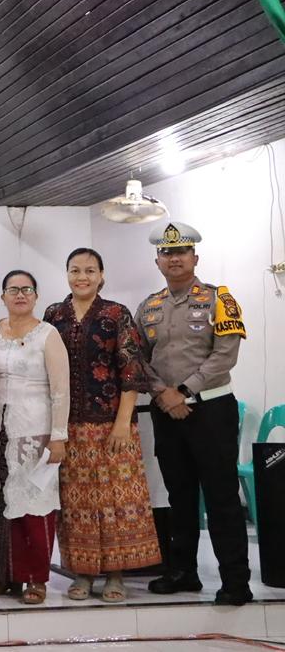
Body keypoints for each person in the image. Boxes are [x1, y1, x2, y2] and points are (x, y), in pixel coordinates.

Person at [137, 222, 253, 606]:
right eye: (167, 253)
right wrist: (163, 394)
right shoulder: (149, 306)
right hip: (166, 411)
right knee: (180, 494)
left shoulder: (219, 299)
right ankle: (183, 572)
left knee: (221, 497)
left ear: (195, 257)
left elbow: (225, 355)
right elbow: (140, 359)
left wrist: (184, 392)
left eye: (181, 252)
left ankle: (235, 581)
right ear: (157, 261)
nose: (174, 258)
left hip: (211, 410)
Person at [44, 248, 160, 602]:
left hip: (112, 424)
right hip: (69, 426)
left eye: (90, 270)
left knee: (115, 502)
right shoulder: (54, 315)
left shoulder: (116, 314)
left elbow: (131, 371)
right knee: (76, 502)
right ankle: (82, 572)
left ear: (101, 275)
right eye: (75, 270)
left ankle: (116, 574)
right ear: (67, 274)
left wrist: (123, 423)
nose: (82, 277)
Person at [0, 270, 69, 606]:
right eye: (13, 289)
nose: (20, 295)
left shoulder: (47, 334)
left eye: (27, 289)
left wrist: (58, 436)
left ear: (36, 296)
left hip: (34, 431)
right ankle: (3, 575)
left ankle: (35, 577)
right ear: (2, 296)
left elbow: (60, 389)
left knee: (34, 504)